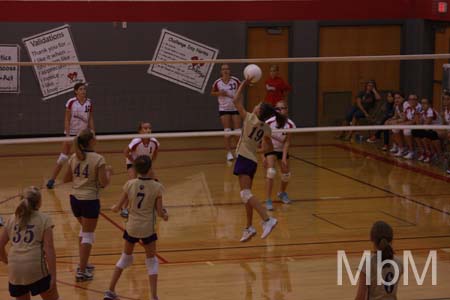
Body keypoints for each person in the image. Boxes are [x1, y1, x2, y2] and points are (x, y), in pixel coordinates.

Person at [103, 155, 168, 300]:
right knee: (152, 261)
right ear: (151, 168)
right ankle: (154, 297)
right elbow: (159, 212)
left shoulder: (130, 184)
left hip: (131, 227)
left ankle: (110, 290)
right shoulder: (157, 187)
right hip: (147, 229)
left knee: (125, 258)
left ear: (136, 169)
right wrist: (165, 215)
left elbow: (118, 207)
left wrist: (114, 208)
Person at [233, 78, 279, 242]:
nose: (256, 106)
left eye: (258, 105)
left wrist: (244, 83)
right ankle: (249, 227)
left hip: (245, 158)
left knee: (245, 194)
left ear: (258, 111)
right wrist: (259, 151)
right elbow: (269, 147)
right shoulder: (266, 128)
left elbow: (235, 100)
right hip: (252, 160)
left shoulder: (250, 118)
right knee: (247, 195)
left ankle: (268, 219)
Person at [63, 129, 112, 281]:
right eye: (94, 136)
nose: (96, 138)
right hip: (90, 200)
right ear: (90, 141)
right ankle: (81, 271)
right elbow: (104, 184)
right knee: (88, 235)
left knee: (84, 232)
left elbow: (66, 179)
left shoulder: (73, 157)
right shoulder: (98, 159)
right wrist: (109, 172)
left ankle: (83, 263)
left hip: (75, 200)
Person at [0, 187, 60, 300]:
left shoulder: (12, 218)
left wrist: (5, 259)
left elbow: (0, 245)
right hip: (34, 267)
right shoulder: (44, 219)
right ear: (39, 203)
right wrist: (53, 276)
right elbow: (49, 249)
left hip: (15, 270)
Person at [47, 82, 94, 189]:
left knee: (86, 157)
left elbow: (90, 118)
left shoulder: (89, 103)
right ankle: (52, 179)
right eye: (81, 89)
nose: (83, 91)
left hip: (83, 135)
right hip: (72, 133)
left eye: (84, 89)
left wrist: (93, 132)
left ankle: (88, 179)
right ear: (76, 91)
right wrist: (68, 135)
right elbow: (67, 119)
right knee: (63, 157)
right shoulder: (71, 102)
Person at [354, 221, 403, 300]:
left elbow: (360, 297)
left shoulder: (368, 263)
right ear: (391, 240)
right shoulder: (399, 263)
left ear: (372, 239)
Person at [121, 122, 159, 218]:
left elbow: (155, 154)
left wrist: (149, 165)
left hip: (145, 164)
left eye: (149, 128)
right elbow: (125, 152)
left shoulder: (154, 141)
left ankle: (157, 207)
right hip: (133, 163)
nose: (148, 130)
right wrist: (135, 162)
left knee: (155, 183)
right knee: (133, 184)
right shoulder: (136, 141)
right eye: (145, 128)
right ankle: (124, 208)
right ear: (140, 131)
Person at [263, 101, 296, 210]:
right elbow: (264, 139)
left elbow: (287, 141)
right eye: (277, 108)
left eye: (282, 108)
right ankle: (268, 200)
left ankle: (282, 193)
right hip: (270, 149)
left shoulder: (290, 124)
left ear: (287, 110)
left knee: (286, 174)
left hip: (282, 150)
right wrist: (263, 156)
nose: (280, 110)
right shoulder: (268, 123)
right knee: (271, 172)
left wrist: (284, 158)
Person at [211, 64, 242, 161]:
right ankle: (229, 152)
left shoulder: (235, 80)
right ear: (221, 71)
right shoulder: (218, 82)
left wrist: (238, 99)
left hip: (235, 107)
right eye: (223, 69)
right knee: (227, 131)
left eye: (227, 69)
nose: (225, 71)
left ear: (230, 70)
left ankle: (239, 151)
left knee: (237, 132)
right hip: (224, 109)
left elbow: (241, 89)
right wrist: (220, 93)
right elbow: (212, 92)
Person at [413, 98, 441, 163]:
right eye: (422, 103)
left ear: (429, 105)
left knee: (426, 133)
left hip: (438, 129)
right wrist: (416, 115)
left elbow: (426, 124)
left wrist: (419, 120)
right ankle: (424, 152)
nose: (423, 105)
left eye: (425, 103)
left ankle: (436, 154)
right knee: (415, 132)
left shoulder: (431, 111)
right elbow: (418, 124)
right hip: (429, 129)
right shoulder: (422, 112)